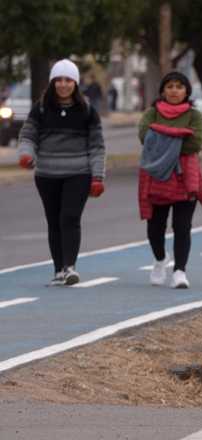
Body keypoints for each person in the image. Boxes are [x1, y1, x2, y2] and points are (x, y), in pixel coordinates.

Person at [16, 59, 106, 286]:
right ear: (52, 83)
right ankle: (58, 270)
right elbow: (28, 136)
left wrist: (97, 177)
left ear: (75, 83)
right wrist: (27, 155)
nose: (63, 85)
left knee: (70, 217)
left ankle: (70, 267)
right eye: (59, 80)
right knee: (54, 221)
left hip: (79, 173)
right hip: (47, 174)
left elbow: (97, 147)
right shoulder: (41, 109)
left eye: (68, 80)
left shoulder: (87, 111)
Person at [137, 71, 202, 289]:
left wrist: (161, 135)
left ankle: (180, 271)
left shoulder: (195, 116)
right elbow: (145, 137)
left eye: (179, 86)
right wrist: (180, 134)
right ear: (163, 90)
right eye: (170, 86)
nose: (174, 90)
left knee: (182, 226)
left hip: (185, 177)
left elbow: (195, 144)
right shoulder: (152, 113)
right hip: (156, 176)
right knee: (155, 227)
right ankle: (160, 259)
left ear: (186, 91)